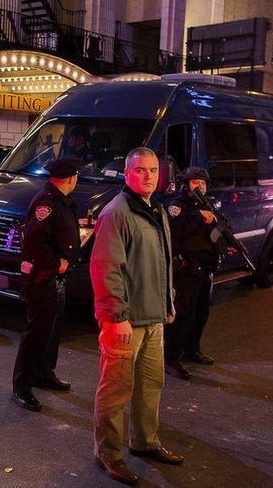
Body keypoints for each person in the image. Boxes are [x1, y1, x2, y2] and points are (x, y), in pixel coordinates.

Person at [91, 147, 182, 485]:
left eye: (153, 170)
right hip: (125, 320)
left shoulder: (155, 209)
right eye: (141, 170)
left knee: (150, 385)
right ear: (127, 173)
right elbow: (106, 270)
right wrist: (116, 317)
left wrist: (166, 305)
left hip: (153, 317)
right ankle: (109, 454)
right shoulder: (118, 213)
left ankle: (144, 442)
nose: (148, 176)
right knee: (115, 391)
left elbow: (164, 263)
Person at [11, 156, 82, 412]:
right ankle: (22, 386)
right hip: (42, 279)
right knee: (37, 333)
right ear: (71, 178)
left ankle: (44, 373)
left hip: (55, 279)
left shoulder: (62, 201)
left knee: (52, 331)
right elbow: (33, 242)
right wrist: (56, 263)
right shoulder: (47, 203)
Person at [163, 167, 232, 380]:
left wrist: (225, 243)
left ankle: (192, 349)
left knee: (201, 314)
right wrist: (198, 216)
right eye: (195, 183)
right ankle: (171, 358)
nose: (200, 187)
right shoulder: (177, 206)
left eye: (202, 183)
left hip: (206, 269)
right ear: (186, 185)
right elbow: (176, 230)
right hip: (187, 270)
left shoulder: (208, 205)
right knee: (183, 315)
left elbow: (221, 227)